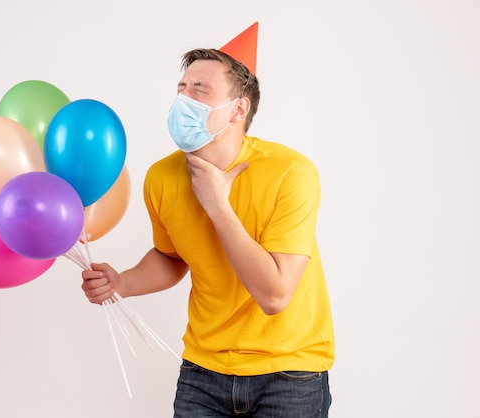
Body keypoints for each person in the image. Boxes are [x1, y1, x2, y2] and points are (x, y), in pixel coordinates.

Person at [81, 45, 334, 417]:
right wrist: (121, 283)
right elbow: (172, 257)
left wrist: (218, 206)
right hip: (203, 372)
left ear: (238, 109)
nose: (183, 97)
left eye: (200, 89)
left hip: (289, 372)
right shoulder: (162, 177)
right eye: (181, 87)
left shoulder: (291, 173)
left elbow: (275, 296)